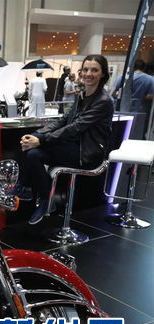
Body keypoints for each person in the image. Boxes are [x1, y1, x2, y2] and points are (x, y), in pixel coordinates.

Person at [12, 54, 114, 225]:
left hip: (87, 155)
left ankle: (33, 192)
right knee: (31, 150)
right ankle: (40, 195)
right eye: (86, 69)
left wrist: (41, 140)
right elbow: (63, 120)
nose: (88, 74)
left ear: (102, 74)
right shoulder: (82, 95)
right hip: (73, 148)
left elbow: (75, 127)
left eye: (94, 70)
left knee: (33, 151)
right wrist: (37, 134)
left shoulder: (103, 101)